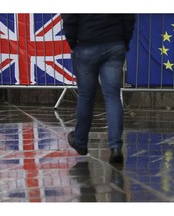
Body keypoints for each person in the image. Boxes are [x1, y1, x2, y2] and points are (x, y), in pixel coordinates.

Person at [61, 14, 135, 164]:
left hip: (86, 44)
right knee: (113, 96)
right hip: (114, 44)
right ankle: (115, 147)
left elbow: (69, 18)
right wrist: (124, 41)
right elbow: (129, 17)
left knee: (86, 96)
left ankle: (80, 141)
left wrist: (73, 42)